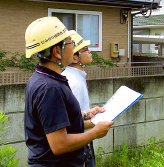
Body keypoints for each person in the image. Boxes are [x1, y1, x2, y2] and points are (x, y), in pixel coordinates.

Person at [24, 17, 114, 167]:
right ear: (57, 51)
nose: (73, 48)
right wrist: (95, 133)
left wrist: (85, 115)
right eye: (70, 43)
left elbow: (56, 123)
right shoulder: (50, 88)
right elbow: (59, 144)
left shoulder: (43, 79)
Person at [62, 33, 96, 167]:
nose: (90, 51)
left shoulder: (74, 76)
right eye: (85, 49)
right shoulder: (74, 82)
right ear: (75, 57)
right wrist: (98, 123)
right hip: (78, 145)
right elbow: (73, 123)